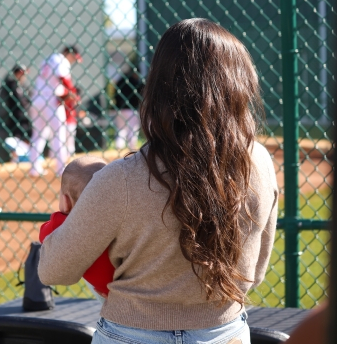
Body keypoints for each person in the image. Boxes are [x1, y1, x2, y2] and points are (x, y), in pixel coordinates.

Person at [38, 19, 279, 344]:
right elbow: (257, 270)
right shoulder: (261, 163)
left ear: (159, 87)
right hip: (225, 331)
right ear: (240, 82)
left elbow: (53, 271)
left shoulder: (121, 178)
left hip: (130, 334)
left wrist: (64, 220)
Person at [39, 156, 114, 303]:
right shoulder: (124, 216)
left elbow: (43, 235)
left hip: (116, 297)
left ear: (65, 202)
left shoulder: (61, 225)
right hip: (143, 287)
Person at [28, 45, 82, 177]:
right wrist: (74, 93)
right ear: (69, 53)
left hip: (37, 99)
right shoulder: (61, 60)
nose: (73, 61)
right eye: (74, 58)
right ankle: (61, 169)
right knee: (59, 134)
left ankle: (34, 168)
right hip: (51, 101)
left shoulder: (47, 60)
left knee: (38, 135)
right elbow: (63, 78)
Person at [0, 63, 32, 163]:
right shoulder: (11, 85)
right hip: (12, 122)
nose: (24, 77)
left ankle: (21, 159)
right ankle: (15, 160)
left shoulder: (22, 87)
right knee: (16, 142)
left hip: (22, 121)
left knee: (25, 141)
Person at [112, 70, 143, 150]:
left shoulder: (120, 81)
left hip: (119, 109)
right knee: (133, 127)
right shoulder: (135, 82)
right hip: (131, 109)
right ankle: (132, 146)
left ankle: (119, 145)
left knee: (121, 128)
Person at [64, 85, 81, 156]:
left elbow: (77, 102)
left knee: (70, 141)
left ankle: (70, 155)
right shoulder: (65, 98)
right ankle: (66, 155)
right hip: (65, 121)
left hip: (71, 122)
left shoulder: (76, 98)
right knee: (64, 141)